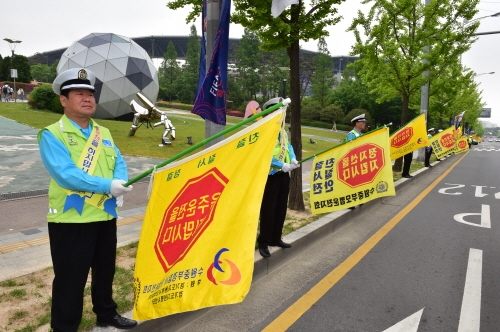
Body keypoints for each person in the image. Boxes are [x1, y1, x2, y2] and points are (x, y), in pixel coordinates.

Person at [37, 68, 137, 332]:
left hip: (104, 214)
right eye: (79, 93)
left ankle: (106, 314)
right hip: (71, 220)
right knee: (71, 279)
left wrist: (121, 184)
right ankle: (65, 327)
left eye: (90, 93)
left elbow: (119, 161)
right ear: (63, 100)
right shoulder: (51, 134)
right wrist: (108, 185)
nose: (87, 98)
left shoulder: (103, 131)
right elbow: (66, 175)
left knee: (105, 272)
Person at [257, 97, 299, 258]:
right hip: (270, 176)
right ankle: (264, 241)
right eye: (280, 111)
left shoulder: (281, 130)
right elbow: (264, 154)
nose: (282, 114)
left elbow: (288, 147)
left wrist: (293, 159)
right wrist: (280, 165)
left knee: (281, 208)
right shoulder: (265, 130)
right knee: (269, 209)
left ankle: (276, 238)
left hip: (283, 175)